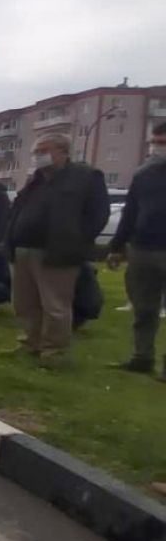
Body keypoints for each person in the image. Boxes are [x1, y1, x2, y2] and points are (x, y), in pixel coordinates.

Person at [5, 134, 108, 365]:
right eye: (36, 152)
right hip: (24, 249)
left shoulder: (86, 177)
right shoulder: (37, 179)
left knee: (55, 305)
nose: (38, 157)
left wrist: (76, 240)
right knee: (25, 302)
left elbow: (99, 214)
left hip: (57, 251)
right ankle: (30, 343)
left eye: (43, 151)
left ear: (62, 151)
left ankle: (53, 352)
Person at [107, 123, 166, 379]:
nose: (157, 147)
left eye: (163, 142)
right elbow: (130, 212)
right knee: (144, 308)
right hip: (143, 249)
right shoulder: (144, 174)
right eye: (155, 142)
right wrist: (117, 246)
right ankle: (142, 357)